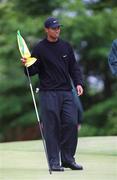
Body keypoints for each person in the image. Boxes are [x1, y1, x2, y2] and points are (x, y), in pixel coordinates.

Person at [22, 17, 84, 171]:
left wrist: (78, 83)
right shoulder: (40, 48)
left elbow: (74, 67)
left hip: (66, 92)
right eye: (54, 28)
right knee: (52, 127)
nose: (57, 30)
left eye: (58, 28)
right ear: (46, 30)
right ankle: (54, 162)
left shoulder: (66, 46)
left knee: (71, 124)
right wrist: (26, 64)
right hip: (48, 93)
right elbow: (32, 71)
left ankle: (68, 159)